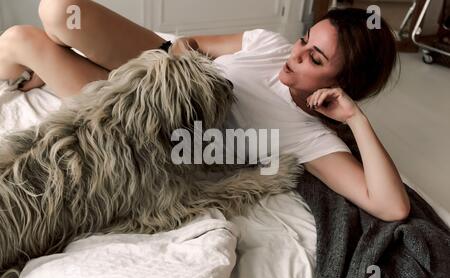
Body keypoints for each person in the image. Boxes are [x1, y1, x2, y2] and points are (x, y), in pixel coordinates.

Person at [0, 0, 410, 221]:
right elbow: (191, 44)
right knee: (58, 9)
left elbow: (392, 207)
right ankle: (43, 69)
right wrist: (173, 69)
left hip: (139, 116)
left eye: (314, 59)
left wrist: (356, 120)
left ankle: (34, 72)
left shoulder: (309, 137)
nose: (295, 52)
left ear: (342, 86)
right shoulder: (271, 45)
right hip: (158, 66)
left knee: (21, 40)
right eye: (304, 39)